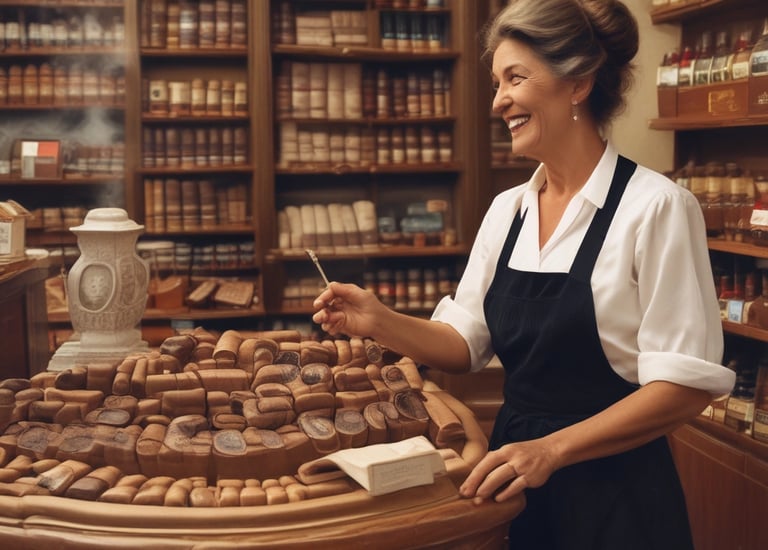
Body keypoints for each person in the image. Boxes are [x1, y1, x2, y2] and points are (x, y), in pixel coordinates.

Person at [312, 0, 736, 548]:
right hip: (515, 477)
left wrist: (554, 449)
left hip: (618, 496)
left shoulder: (655, 208)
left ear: (577, 83)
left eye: (516, 78)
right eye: (496, 82)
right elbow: (466, 343)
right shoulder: (508, 209)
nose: (499, 100)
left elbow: (683, 388)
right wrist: (378, 320)